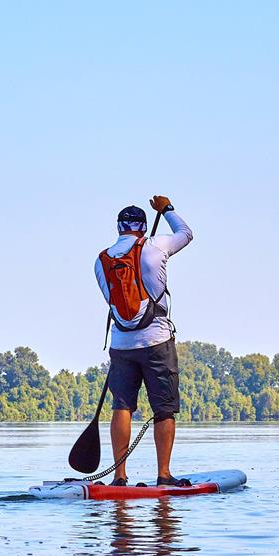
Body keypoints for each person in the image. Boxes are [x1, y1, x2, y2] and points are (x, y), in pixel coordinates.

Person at [94, 196, 193, 487]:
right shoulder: (155, 246)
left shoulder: (102, 260)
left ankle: (119, 477)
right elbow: (186, 234)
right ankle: (163, 474)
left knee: (122, 406)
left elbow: (111, 302)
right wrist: (167, 210)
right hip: (157, 341)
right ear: (143, 227)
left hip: (121, 345)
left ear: (119, 227)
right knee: (164, 408)